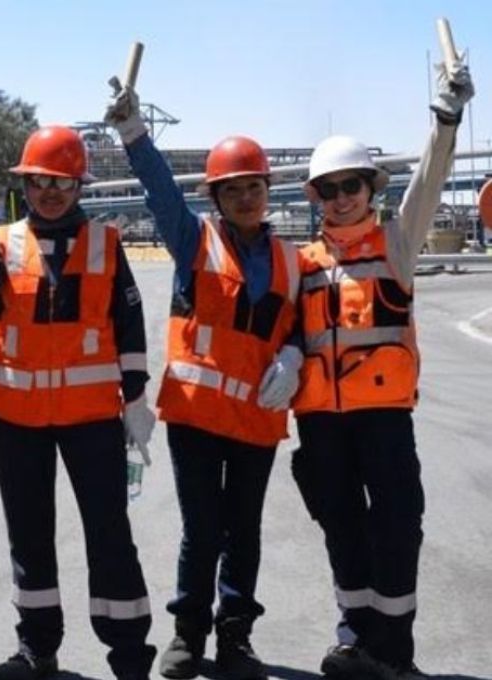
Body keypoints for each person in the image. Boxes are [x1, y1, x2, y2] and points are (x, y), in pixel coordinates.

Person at [103, 82, 303, 680]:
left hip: (255, 422)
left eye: (254, 187)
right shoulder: (195, 242)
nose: (246, 197)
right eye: (233, 189)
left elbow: (304, 326)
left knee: (243, 529)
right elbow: (161, 193)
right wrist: (133, 133)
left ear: (269, 191)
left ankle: (236, 635)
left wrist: (292, 356)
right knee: (203, 529)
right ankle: (188, 632)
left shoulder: (294, 260)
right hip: (194, 417)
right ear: (216, 197)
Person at [290, 57, 474, 680]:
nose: (342, 198)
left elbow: (431, 177)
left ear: (371, 190)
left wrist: (446, 119)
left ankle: (394, 653)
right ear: (315, 195)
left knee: (397, 531)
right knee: (342, 531)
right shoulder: (303, 262)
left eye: (352, 186)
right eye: (330, 188)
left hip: (384, 421)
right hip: (321, 425)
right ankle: (355, 641)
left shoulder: (396, 244)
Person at [0, 124, 157, 680]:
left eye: (62, 183)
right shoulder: (3, 240)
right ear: (26, 182)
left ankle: (129, 654)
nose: (50, 192)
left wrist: (136, 398)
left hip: (92, 420)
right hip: (16, 420)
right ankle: (37, 648)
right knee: (30, 536)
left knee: (109, 534)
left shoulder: (108, 244)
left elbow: (130, 322)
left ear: (79, 187)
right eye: (41, 180)